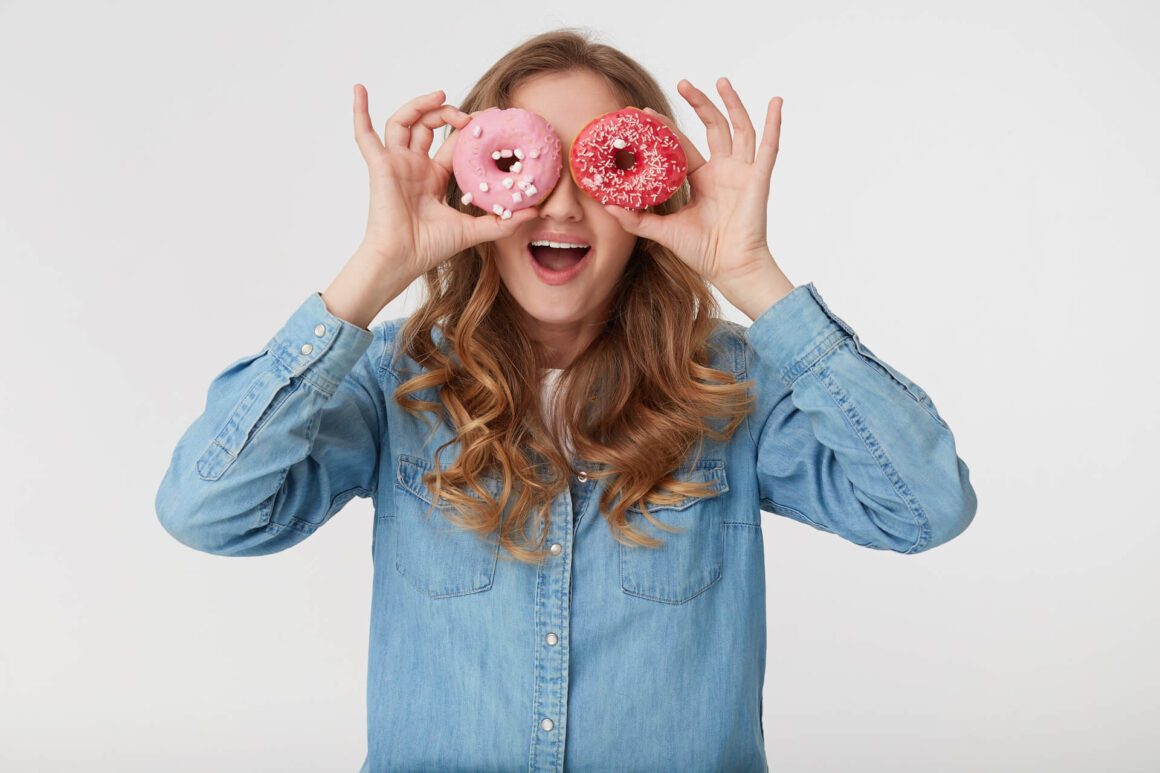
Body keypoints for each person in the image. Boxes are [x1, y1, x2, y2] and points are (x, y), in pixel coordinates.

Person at [155, 28, 976, 773]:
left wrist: (755, 276)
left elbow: (924, 506)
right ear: (474, 190)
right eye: (526, 164)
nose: (560, 204)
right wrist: (375, 267)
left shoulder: (731, 388)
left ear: (650, 199)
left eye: (599, 167)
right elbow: (207, 508)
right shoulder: (391, 381)